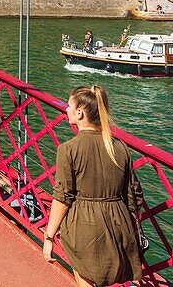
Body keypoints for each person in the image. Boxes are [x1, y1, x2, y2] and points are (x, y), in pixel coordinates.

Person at [44, 85, 145, 287]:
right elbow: (135, 196)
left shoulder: (69, 149)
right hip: (118, 224)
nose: (66, 109)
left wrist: (48, 236)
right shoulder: (119, 147)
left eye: (69, 105)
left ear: (80, 113)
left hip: (84, 227)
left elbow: (62, 198)